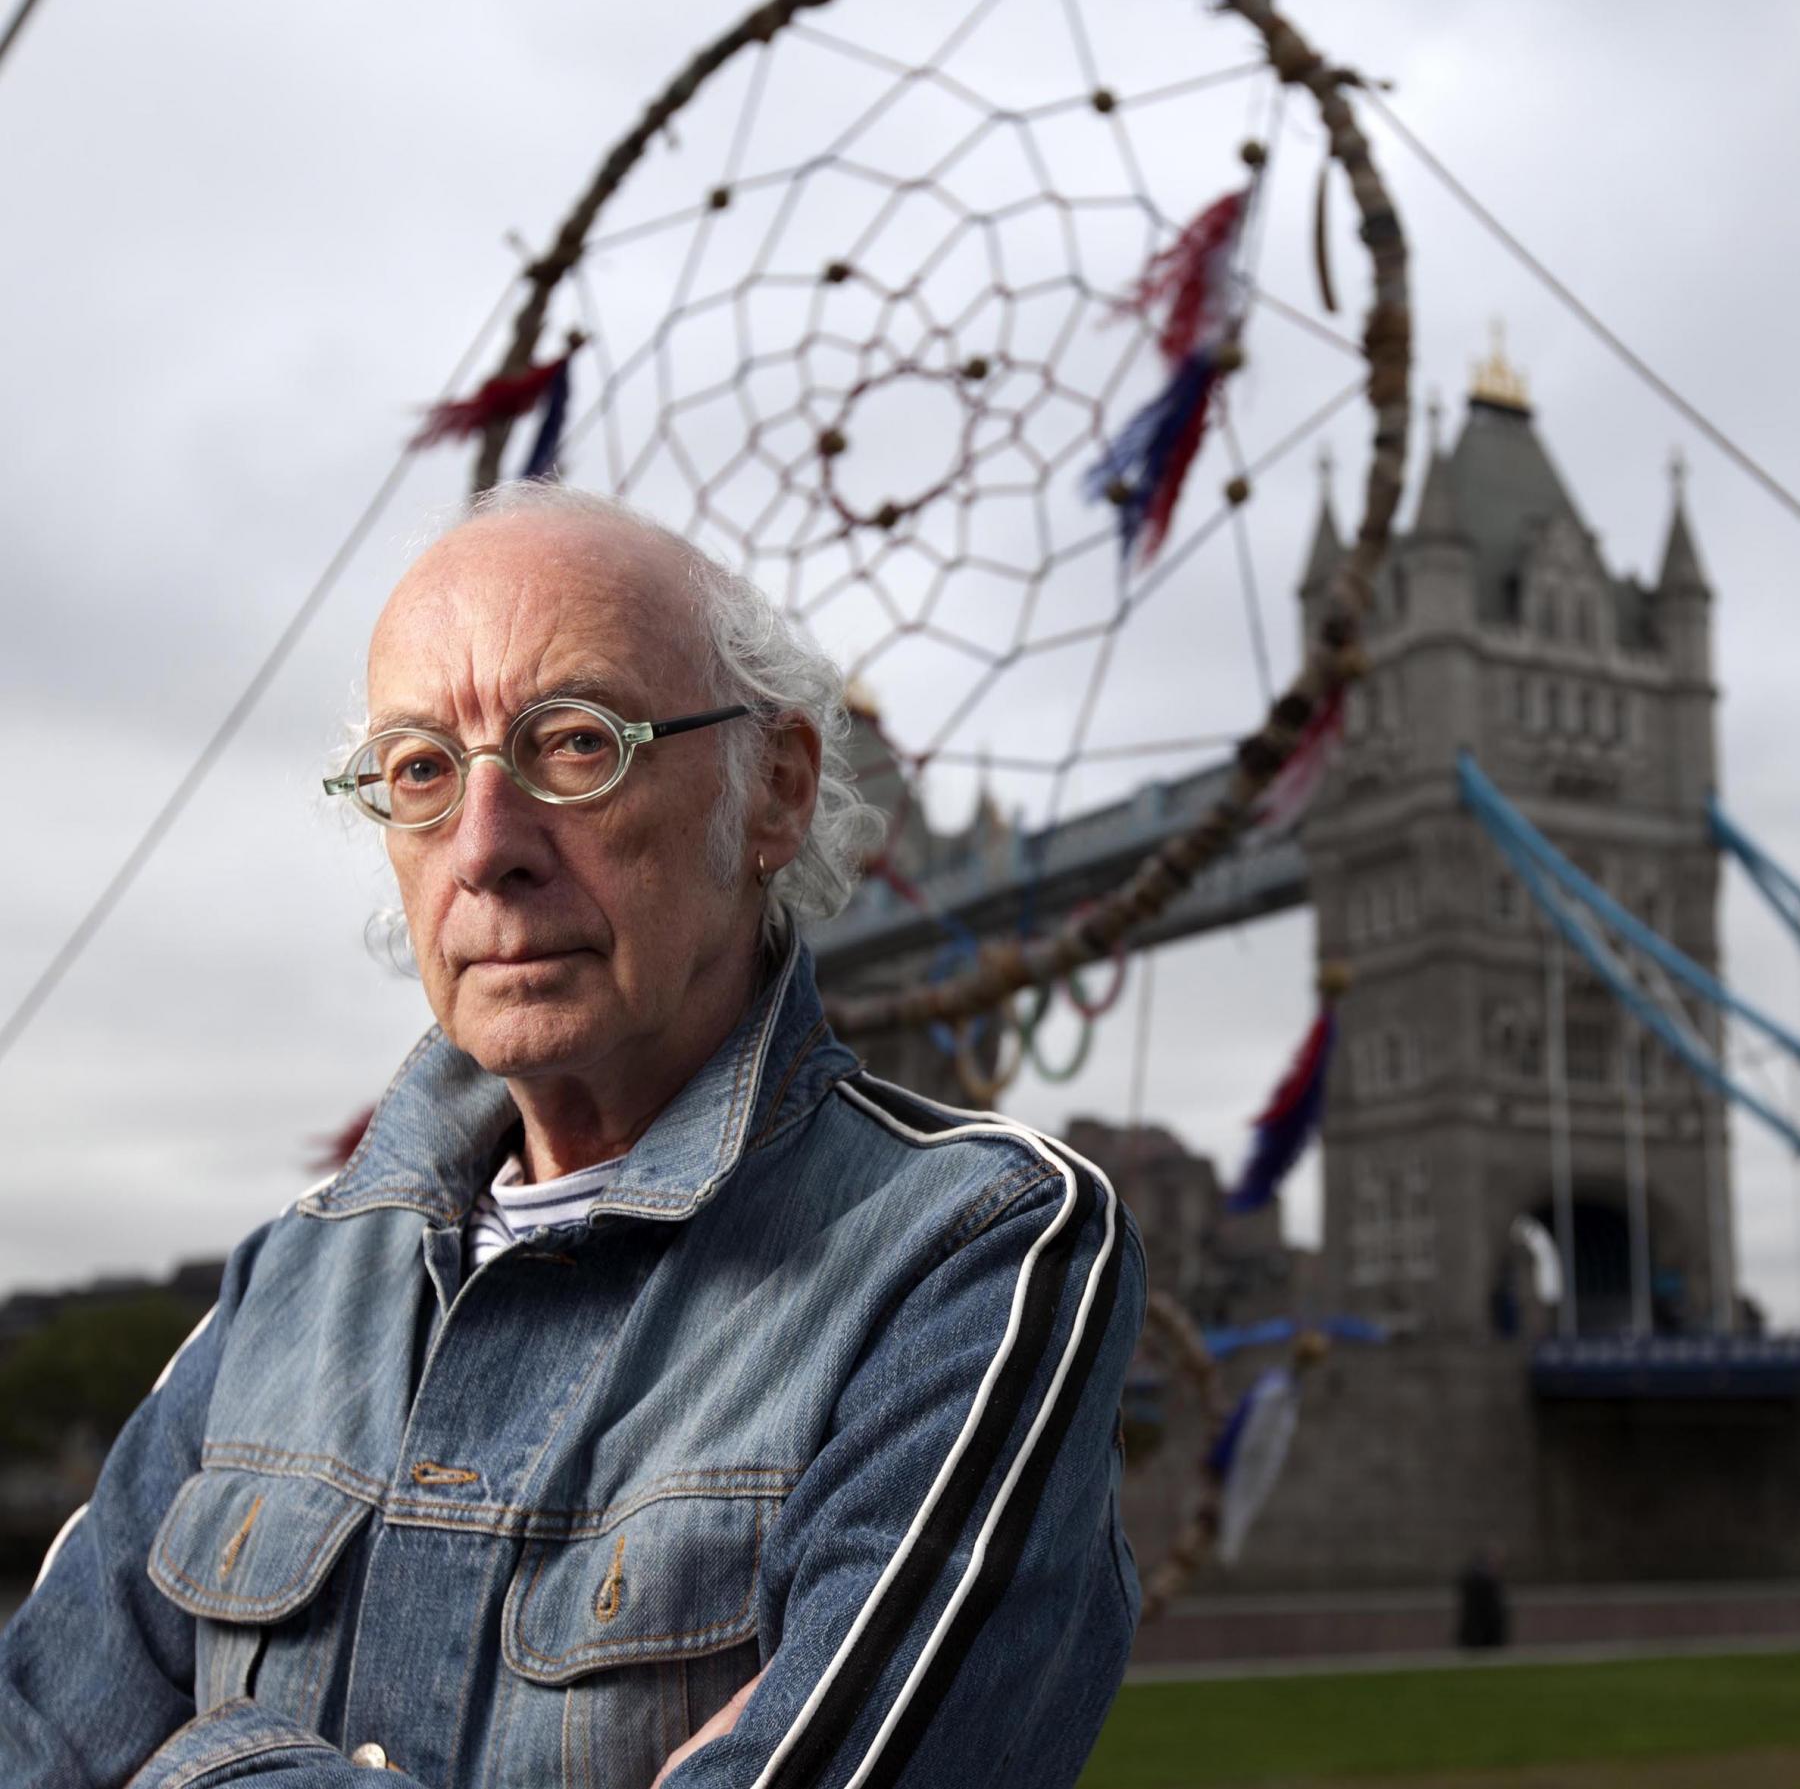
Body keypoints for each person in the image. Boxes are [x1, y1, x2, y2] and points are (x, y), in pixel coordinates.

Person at [0, 483, 1146, 1789]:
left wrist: (203, 1764)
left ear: (775, 792)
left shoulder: (977, 1254)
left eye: (576, 743)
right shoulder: (287, 1285)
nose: (486, 848)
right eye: (422, 770)